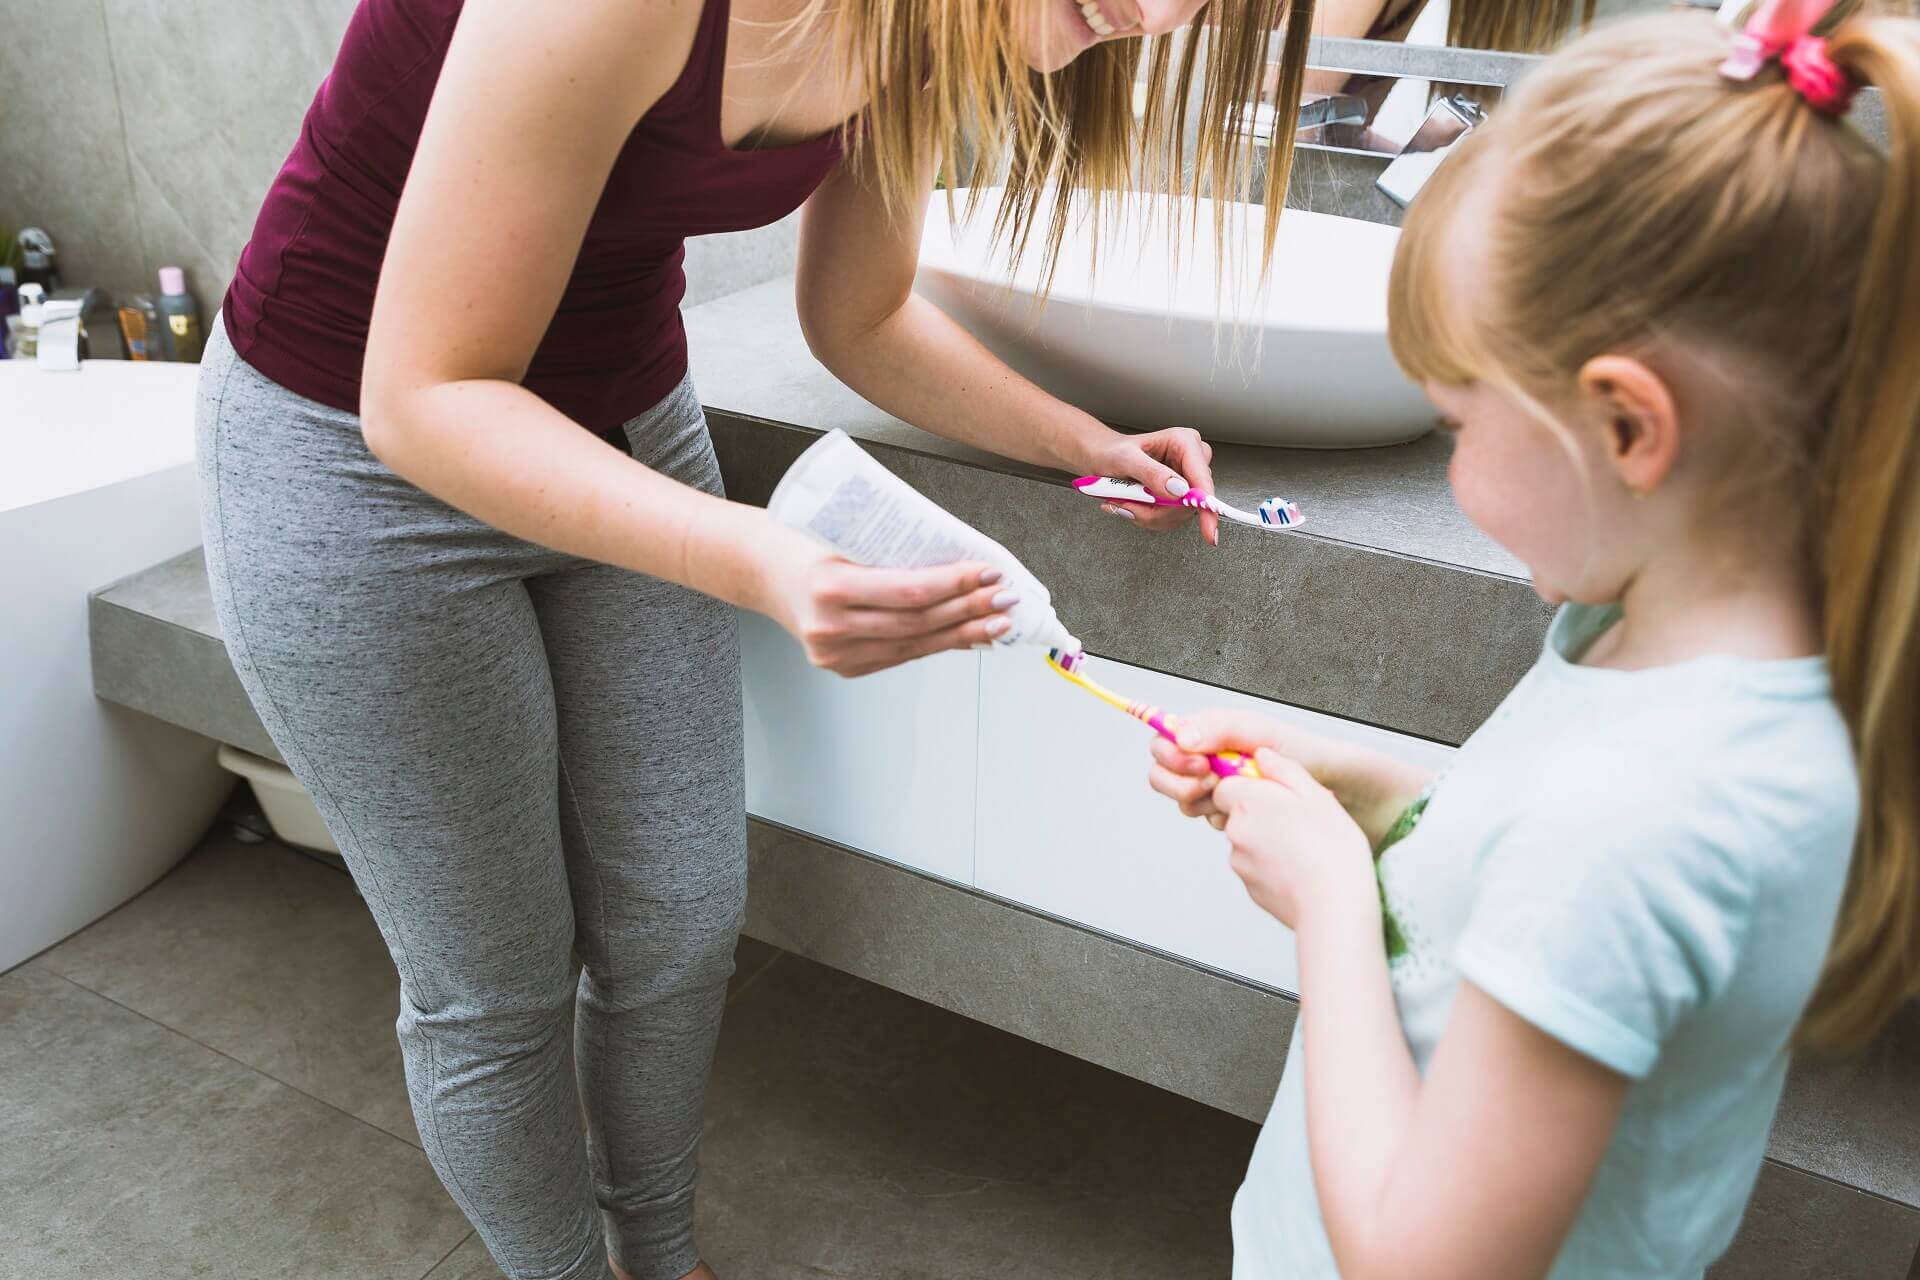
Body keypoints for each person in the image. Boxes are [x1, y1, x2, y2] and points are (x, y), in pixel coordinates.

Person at [197, 0, 1327, 1275]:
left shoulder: (934, 24)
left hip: (627, 426)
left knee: (679, 918)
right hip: (352, 459)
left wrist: (1083, 444)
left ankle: (662, 1257)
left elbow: (860, 314)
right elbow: (426, 398)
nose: (1161, 11)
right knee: (494, 989)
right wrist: (763, 559)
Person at [1150, 3, 1919, 1274]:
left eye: (1460, 425)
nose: (1452, 467)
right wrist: (1379, 795)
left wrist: (1331, 903)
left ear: (1626, 426)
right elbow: (1531, 851)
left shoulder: (1644, 814)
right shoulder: (1661, 648)